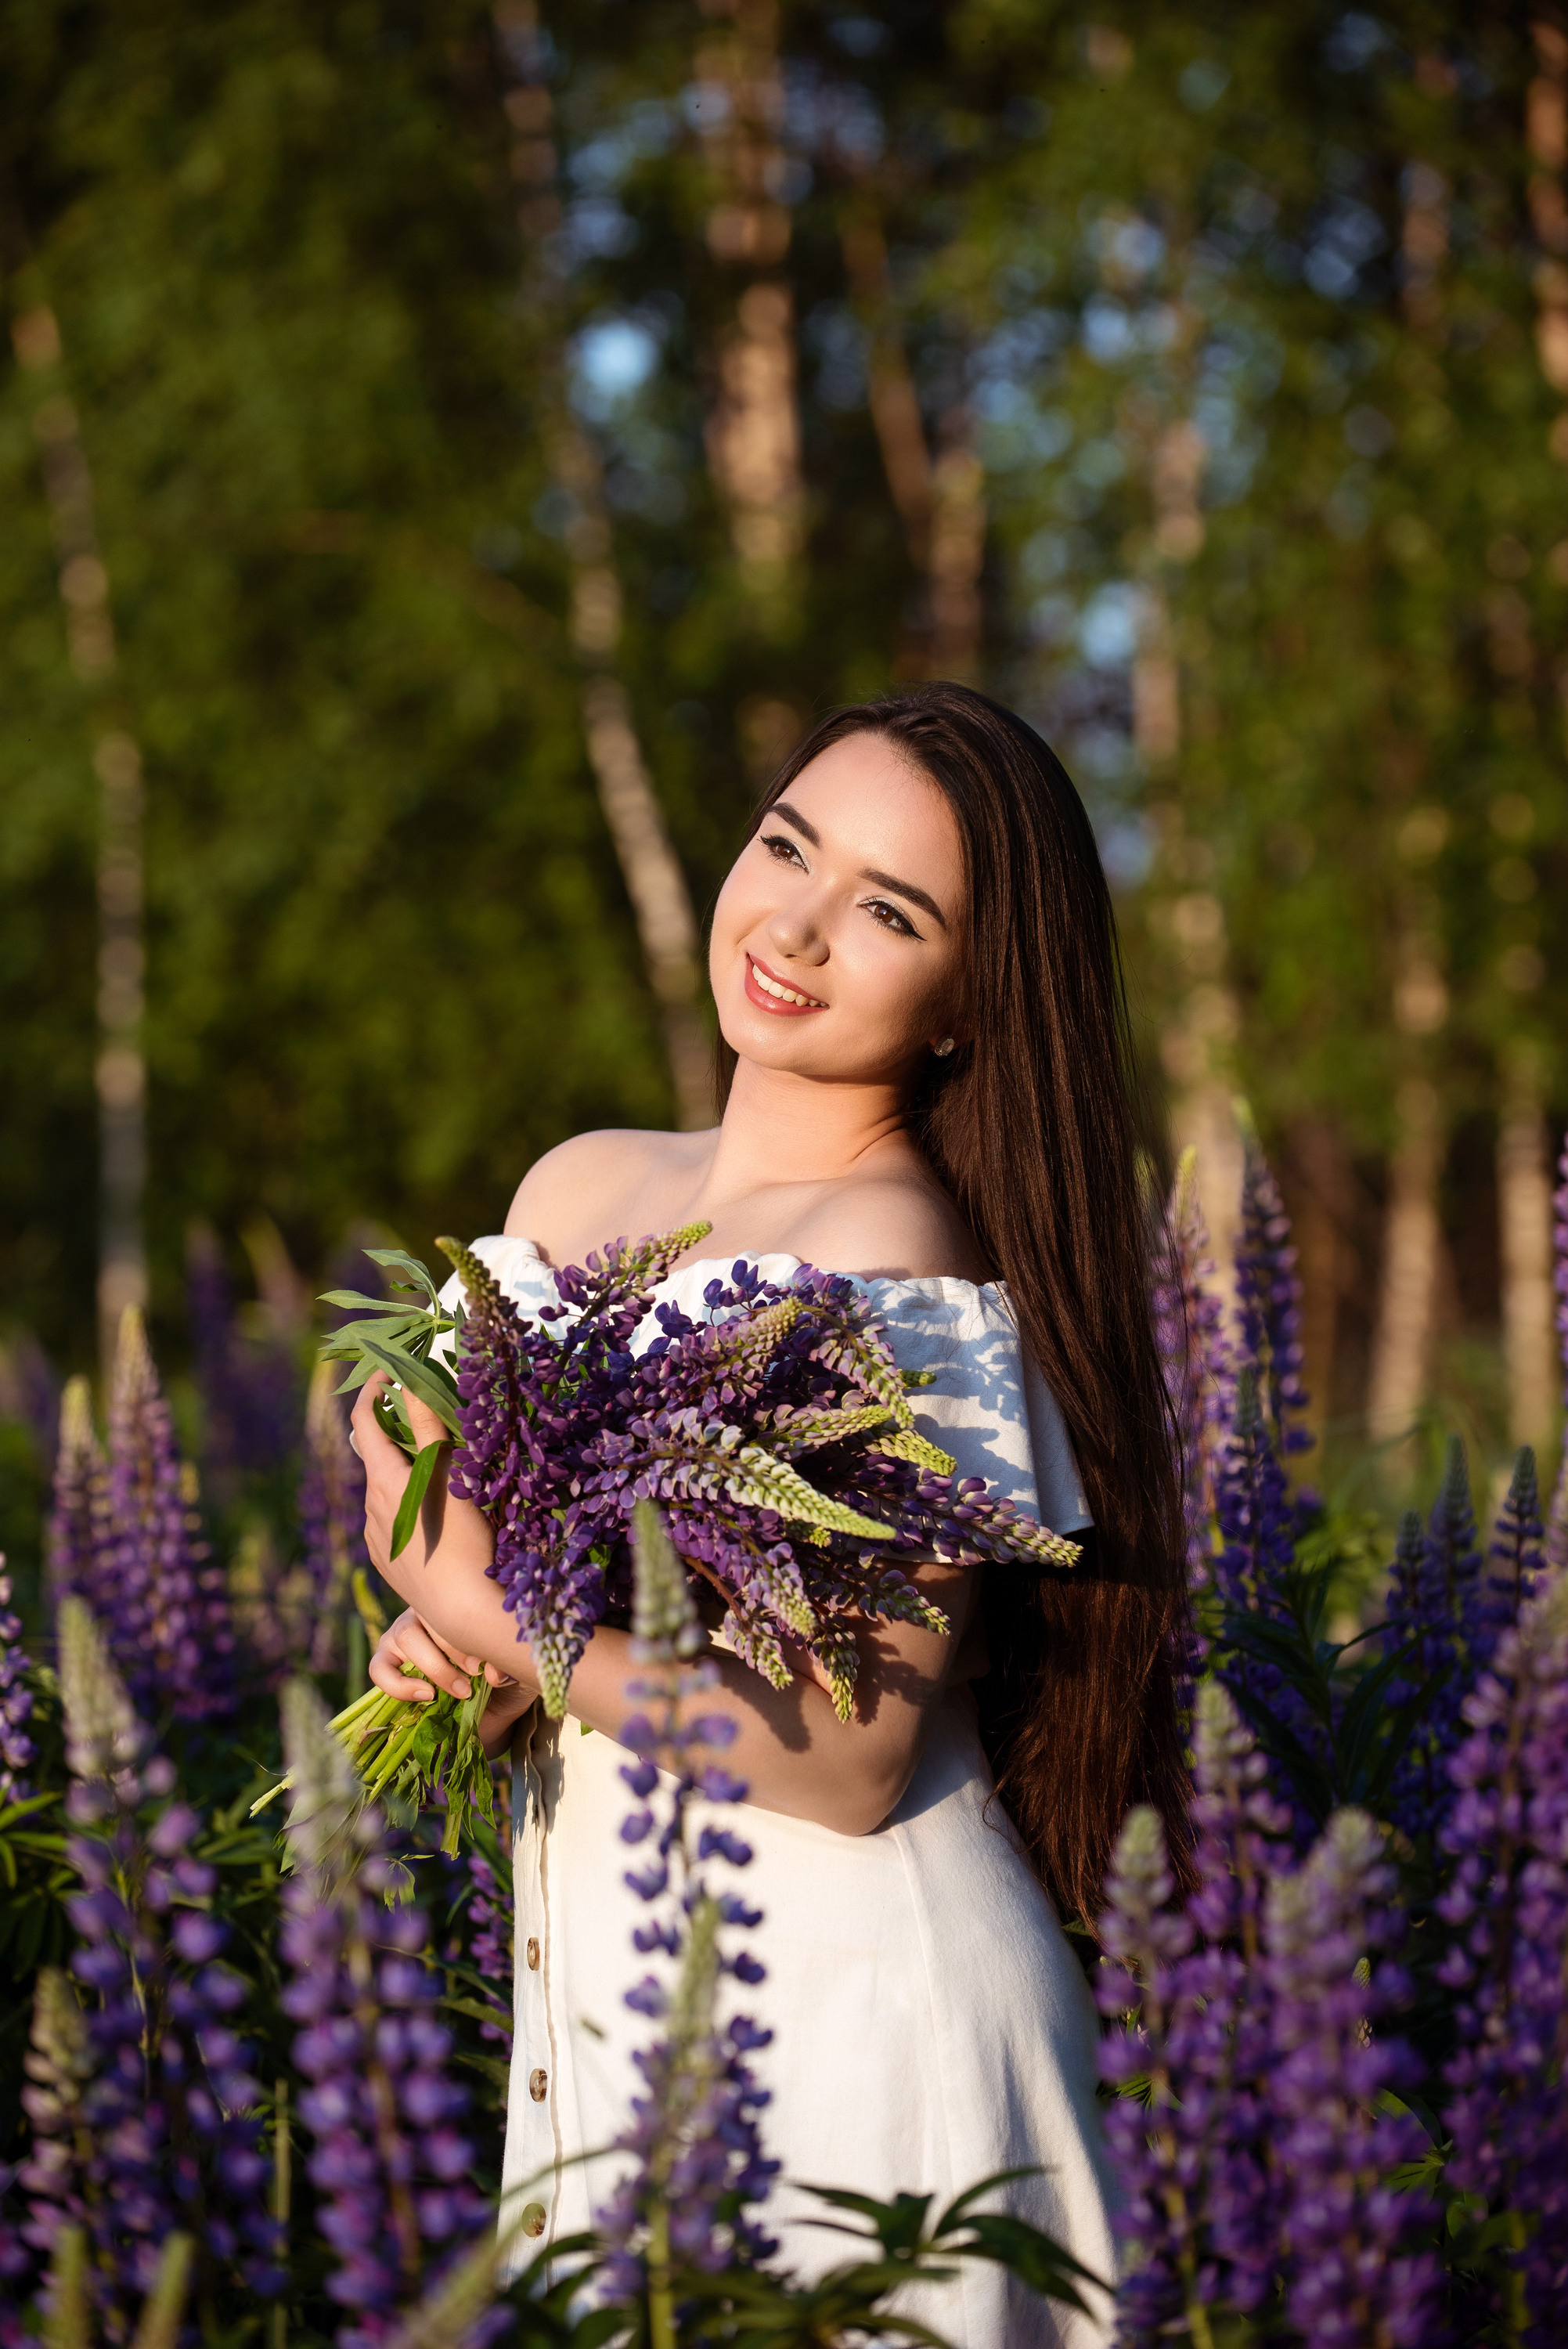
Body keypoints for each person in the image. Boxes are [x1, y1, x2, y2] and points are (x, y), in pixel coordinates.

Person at [353, 684, 1190, 2347]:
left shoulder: (899, 1257)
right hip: (622, 2020)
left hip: (859, 2042)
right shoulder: (580, 1182)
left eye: (890, 912)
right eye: (788, 847)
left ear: (966, 1007)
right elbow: (523, 1577)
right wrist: (477, 1662)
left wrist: (475, 1598)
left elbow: (846, 1756)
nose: (796, 929)